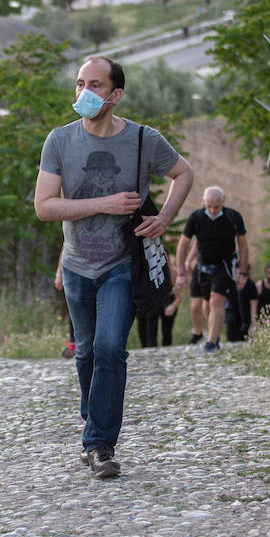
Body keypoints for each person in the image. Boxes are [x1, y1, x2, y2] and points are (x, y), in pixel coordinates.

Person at [36, 55, 194, 479]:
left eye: (95, 85)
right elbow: (44, 206)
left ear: (115, 94)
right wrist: (103, 204)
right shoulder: (60, 141)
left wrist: (164, 220)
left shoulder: (144, 140)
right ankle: (95, 420)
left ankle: (99, 444)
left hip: (123, 264)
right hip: (76, 265)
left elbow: (184, 174)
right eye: (79, 84)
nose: (83, 92)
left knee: (110, 349)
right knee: (86, 351)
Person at [176, 186, 248, 353]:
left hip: (224, 266)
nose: (213, 210)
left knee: (217, 301)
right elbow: (183, 244)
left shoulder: (233, 217)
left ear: (223, 202)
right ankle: (211, 335)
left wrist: (242, 272)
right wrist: (181, 272)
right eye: (209, 206)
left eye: (216, 206)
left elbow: (243, 246)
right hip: (202, 266)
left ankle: (211, 343)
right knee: (204, 306)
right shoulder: (196, 217)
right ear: (203, 203)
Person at [136, 238, 181, 348]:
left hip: (168, 300)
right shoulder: (150, 271)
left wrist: (172, 306)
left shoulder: (173, 272)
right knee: (147, 316)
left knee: (167, 332)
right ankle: (148, 346)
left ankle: (166, 347)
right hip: (153, 301)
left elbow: (180, 295)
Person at [224, 265, 259, 342]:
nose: (238, 276)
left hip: (246, 319)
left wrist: (253, 323)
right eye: (236, 273)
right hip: (232, 318)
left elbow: (254, 306)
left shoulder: (250, 285)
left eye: (240, 274)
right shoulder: (230, 284)